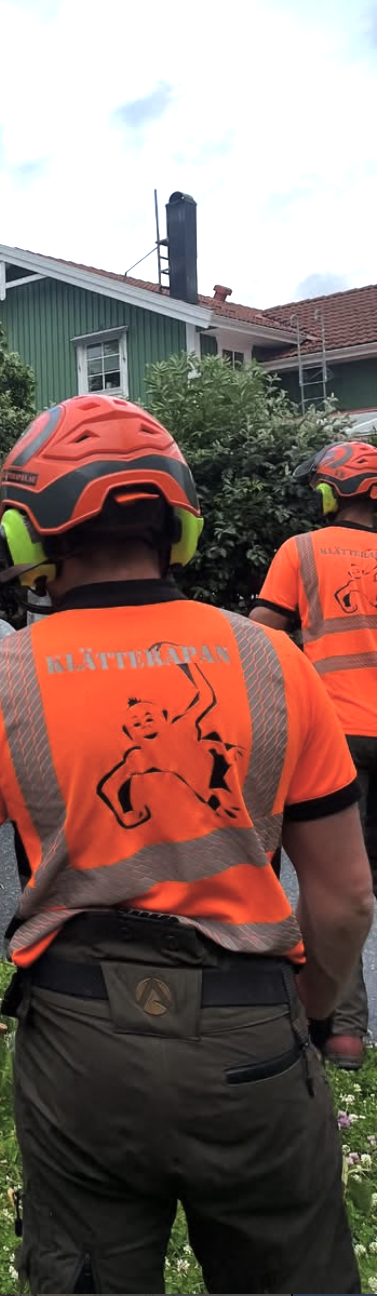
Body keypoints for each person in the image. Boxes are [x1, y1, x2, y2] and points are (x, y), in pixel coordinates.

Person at [0, 394, 373, 1296]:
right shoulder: (279, 666)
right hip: (256, 1043)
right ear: (177, 525)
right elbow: (347, 900)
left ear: (29, 533)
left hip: (81, 1054)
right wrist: (308, 1021)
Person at [249, 440, 377, 1070]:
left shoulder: (300, 551)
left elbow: (262, 639)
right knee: (365, 885)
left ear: (331, 493)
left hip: (336, 736)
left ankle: (342, 1028)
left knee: (333, 883)